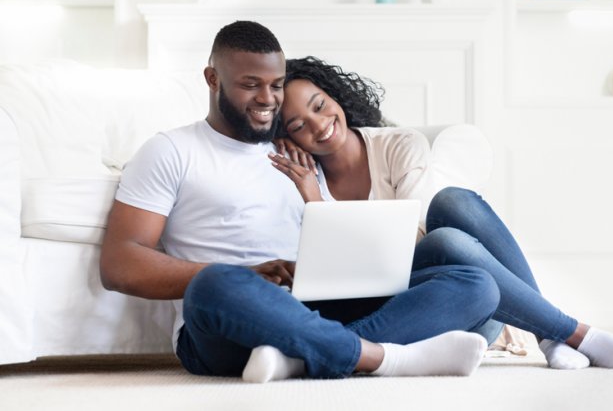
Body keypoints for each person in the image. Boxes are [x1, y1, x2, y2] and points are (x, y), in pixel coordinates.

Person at [99, 21, 501, 383]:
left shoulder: (298, 152)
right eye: (250, 84)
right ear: (213, 78)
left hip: (314, 305)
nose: (267, 99)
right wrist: (250, 274)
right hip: (229, 318)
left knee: (475, 284)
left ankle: (298, 358)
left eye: (275, 85)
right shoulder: (172, 150)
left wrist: (319, 211)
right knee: (215, 282)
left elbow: (340, 242)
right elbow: (120, 264)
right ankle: (379, 357)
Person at [273, 56, 613, 370]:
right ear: (287, 137)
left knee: (451, 208)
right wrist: (313, 200)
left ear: (334, 96)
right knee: (455, 253)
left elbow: (416, 241)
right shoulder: (301, 176)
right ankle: (572, 333)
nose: (319, 125)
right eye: (298, 125)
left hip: (454, 299)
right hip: (407, 310)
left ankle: (555, 332)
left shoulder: (399, 144)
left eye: (319, 106)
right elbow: (331, 274)